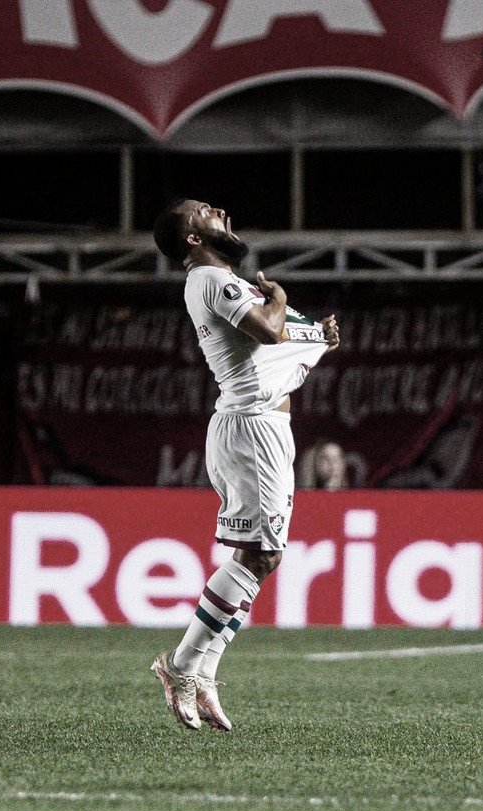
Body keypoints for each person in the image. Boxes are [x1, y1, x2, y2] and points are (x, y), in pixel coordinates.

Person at [149, 198, 340, 731]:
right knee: (260, 554)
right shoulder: (211, 278)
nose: (220, 211)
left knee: (264, 558)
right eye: (205, 211)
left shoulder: (217, 281)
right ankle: (183, 665)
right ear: (192, 236)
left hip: (263, 427)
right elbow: (269, 331)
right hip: (251, 427)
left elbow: (276, 341)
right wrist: (280, 301)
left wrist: (316, 337)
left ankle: (204, 669)